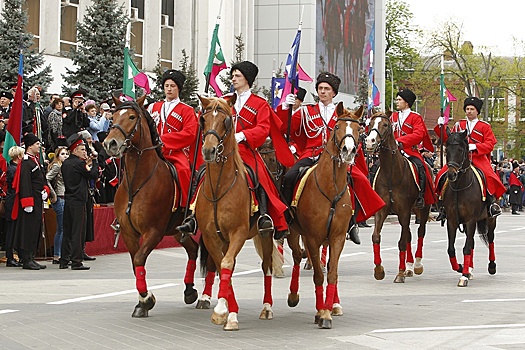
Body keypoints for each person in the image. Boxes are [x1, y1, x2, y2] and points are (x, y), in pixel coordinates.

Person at [177, 61, 294, 240]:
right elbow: (210, 122)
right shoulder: (224, 100)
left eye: (237, 75)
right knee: (201, 173)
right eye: (233, 75)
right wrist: (206, 107)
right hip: (221, 150)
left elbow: (263, 128)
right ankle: (192, 215)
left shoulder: (259, 103)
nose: (233, 78)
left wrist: (243, 136)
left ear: (247, 79)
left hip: (246, 150)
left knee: (259, 176)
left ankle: (264, 215)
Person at [279, 73, 385, 244]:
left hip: (339, 158)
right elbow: (286, 128)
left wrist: (349, 154)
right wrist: (286, 109)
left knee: (357, 180)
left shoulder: (344, 114)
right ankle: (285, 220)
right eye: (320, 88)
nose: (323, 92)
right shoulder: (306, 111)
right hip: (312, 154)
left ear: (334, 93)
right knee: (290, 177)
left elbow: (354, 137)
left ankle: (351, 223)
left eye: (326, 89)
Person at [434, 97, 505, 219]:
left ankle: (491, 204)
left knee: (489, 177)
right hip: (459, 160)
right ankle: (442, 205)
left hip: (478, 158)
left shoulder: (484, 126)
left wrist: (475, 146)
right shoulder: (458, 125)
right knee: (441, 175)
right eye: (467, 109)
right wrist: (441, 127)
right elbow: (449, 139)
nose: (469, 111)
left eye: (472, 109)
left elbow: (489, 144)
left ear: (477, 111)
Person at [146, 69, 198, 208]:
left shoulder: (186, 110)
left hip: (174, 152)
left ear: (178, 88)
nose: (169, 89)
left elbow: (190, 133)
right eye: (166, 86)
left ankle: (186, 207)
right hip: (153, 151)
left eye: (172, 86)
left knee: (183, 170)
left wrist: (164, 140)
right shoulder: (153, 107)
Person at [390, 89, 436, 209]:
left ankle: (420, 196)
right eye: (397, 99)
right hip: (393, 152)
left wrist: (400, 142)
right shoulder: (393, 117)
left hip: (410, 151)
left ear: (407, 102)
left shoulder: (416, 117)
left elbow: (419, 134)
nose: (397, 102)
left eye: (399, 100)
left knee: (421, 168)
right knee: (377, 167)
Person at [59, 133, 99, 270]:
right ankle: (76, 260)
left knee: (68, 231)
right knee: (78, 231)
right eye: (82, 149)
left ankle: (64, 260)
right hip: (79, 201)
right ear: (75, 150)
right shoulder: (79, 163)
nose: (85, 152)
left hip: (69, 198)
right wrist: (94, 163)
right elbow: (93, 174)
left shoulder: (66, 163)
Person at [12, 133, 50, 270]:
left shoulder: (35, 160)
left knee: (35, 229)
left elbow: (40, 178)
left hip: (37, 197)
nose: (39, 146)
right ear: (30, 146)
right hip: (31, 200)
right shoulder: (26, 162)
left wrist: (45, 189)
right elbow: (25, 183)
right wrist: (27, 202)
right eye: (37, 144)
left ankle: (31, 257)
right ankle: (27, 258)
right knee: (29, 229)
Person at [47, 146, 69, 264]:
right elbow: (47, 179)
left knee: (63, 228)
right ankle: (57, 255)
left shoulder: (65, 166)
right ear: (57, 156)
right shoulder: (57, 166)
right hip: (59, 198)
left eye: (66, 154)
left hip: (65, 197)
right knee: (61, 228)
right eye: (62, 154)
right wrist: (53, 194)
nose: (65, 156)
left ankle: (60, 254)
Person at [4, 146, 25, 267]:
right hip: (13, 202)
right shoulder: (13, 169)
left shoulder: (14, 167)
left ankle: (15, 255)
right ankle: (10, 257)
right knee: (11, 230)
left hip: (13, 201)